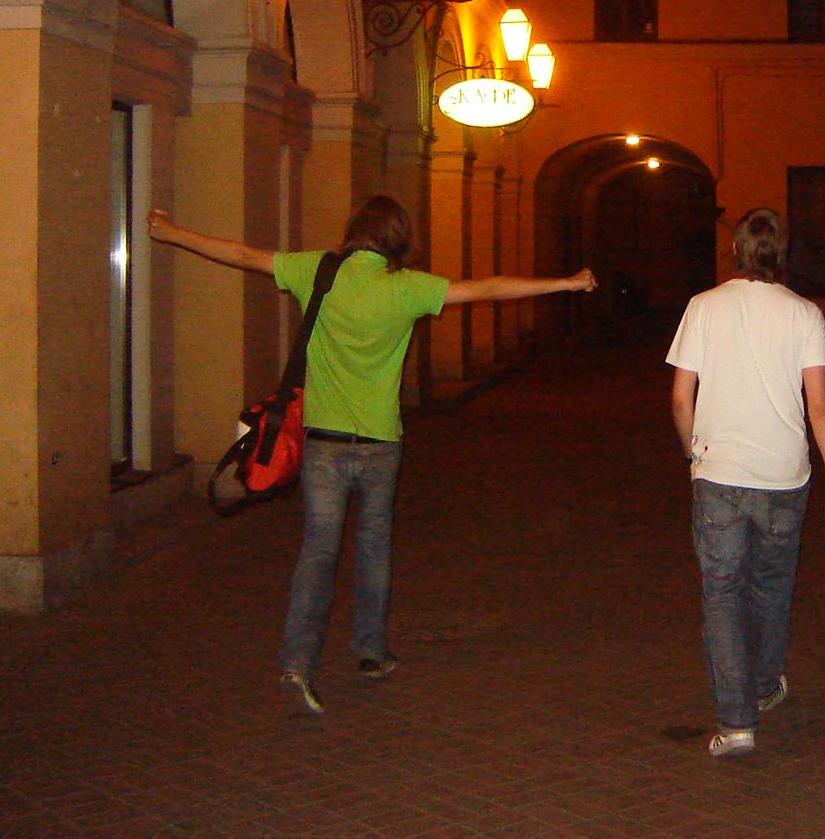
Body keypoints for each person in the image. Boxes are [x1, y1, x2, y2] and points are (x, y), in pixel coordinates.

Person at [148, 195, 596, 715]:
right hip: (381, 443)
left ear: (353, 232)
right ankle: (370, 651)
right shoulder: (407, 288)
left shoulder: (317, 271)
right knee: (374, 546)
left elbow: (245, 255)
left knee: (318, 551)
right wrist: (565, 283)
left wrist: (174, 233)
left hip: (324, 444)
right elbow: (489, 288)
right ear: (399, 239)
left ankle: (297, 661)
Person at [665, 207, 825, 757]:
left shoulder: (703, 307)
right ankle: (766, 686)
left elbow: (681, 397)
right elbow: (820, 405)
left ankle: (737, 722)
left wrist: (694, 453)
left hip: (719, 473)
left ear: (736, 252)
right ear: (781, 254)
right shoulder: (805, 314)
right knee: (772, 586)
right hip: (783, 477)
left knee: (722, 593)